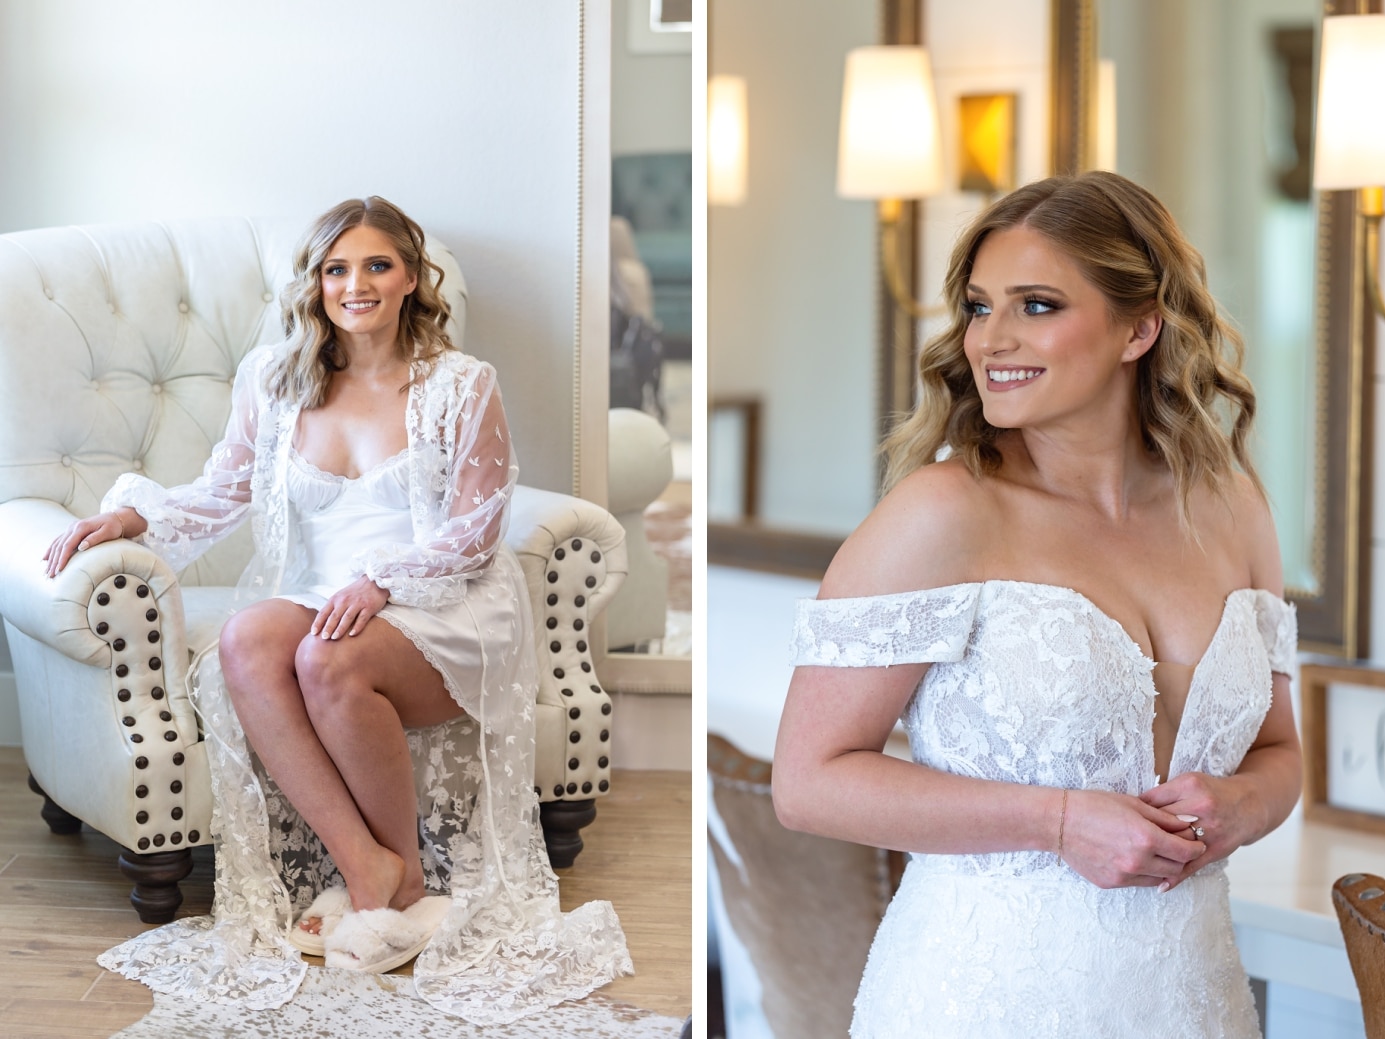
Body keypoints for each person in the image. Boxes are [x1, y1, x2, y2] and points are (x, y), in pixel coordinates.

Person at [43, 196, 631, 1023]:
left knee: (328, 658)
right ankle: (373, 869)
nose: (356, 285)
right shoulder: (274, 378)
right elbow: (225, 490)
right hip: (319, 590)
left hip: (444, 600)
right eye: (336, 269)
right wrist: (134, 517)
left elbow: (475, 529)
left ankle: (404, 880)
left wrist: (383, 582)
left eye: (376, 265)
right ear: (316, 284)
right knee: (247, 642)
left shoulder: (462, 385)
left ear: (411, 278)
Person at [772, 171, 1301, 1038]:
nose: (992, 340)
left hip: (1192, 999)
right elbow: (807, 782)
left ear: (1141, 327)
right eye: (980, 307)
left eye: (1038, 305)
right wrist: (1055, 822)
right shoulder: (943, 514)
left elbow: (1280, 750)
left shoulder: (1232, 503)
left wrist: (1244, 807)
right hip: (984, 1000)